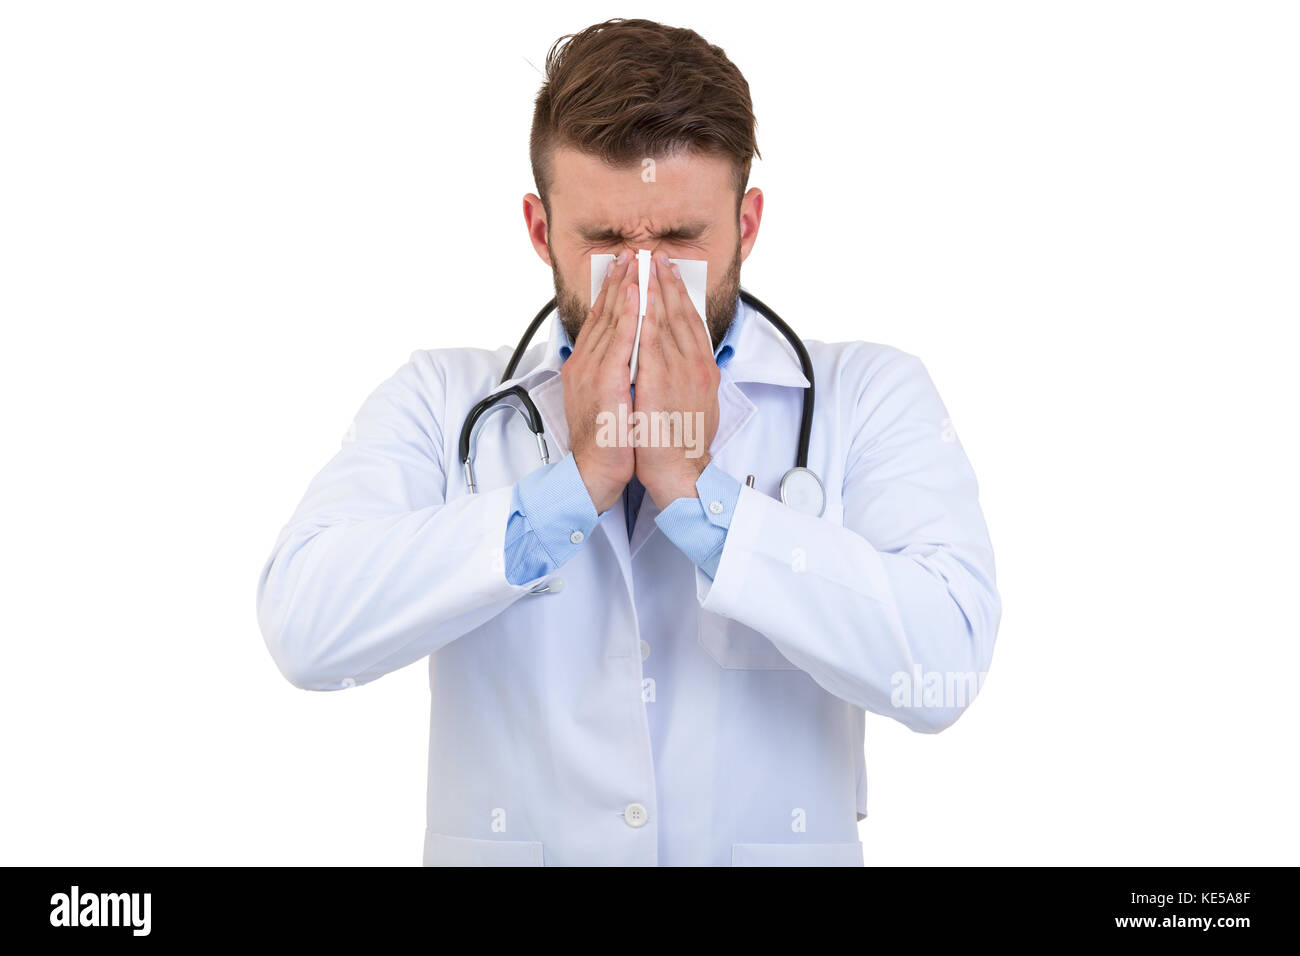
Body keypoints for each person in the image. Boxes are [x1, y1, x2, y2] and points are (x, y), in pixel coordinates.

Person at [256, 17, 1001, 866]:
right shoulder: (439, 400)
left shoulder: (868, 395)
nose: (644, 275)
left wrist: (697, 498)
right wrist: (569, 490)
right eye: (606, 241)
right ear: (541, 232)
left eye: (682, 239)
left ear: (747, 226)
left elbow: (945, 656)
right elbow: (305, 627)